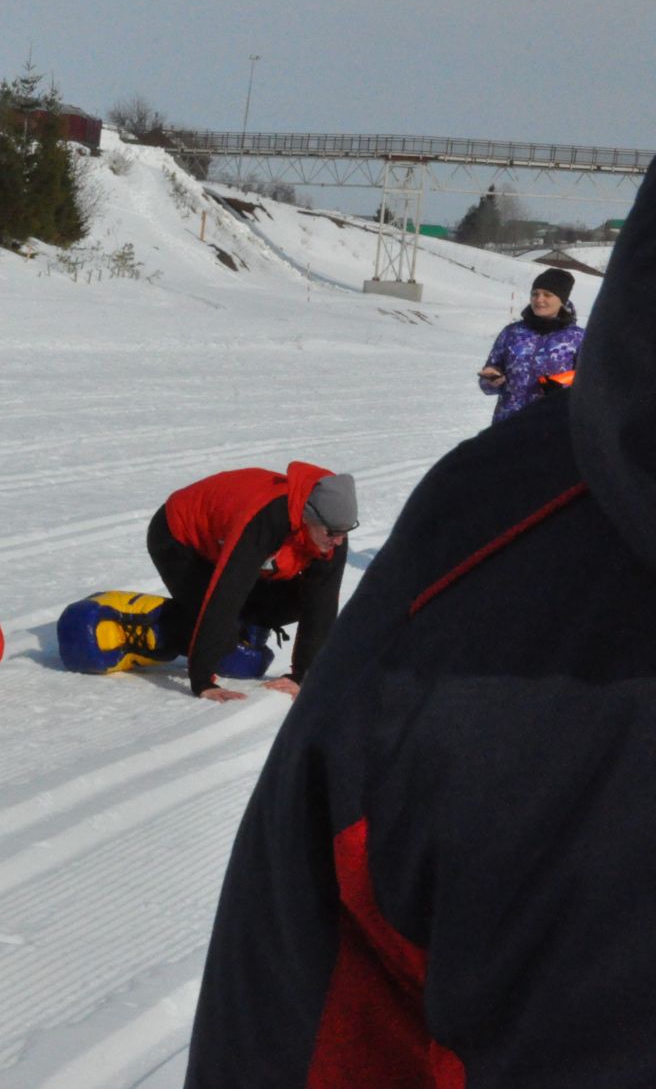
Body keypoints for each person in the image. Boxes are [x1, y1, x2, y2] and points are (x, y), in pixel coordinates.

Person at [185, 163, 656, 1087]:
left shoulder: (575, 347)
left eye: (551, 292)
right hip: (546, 458)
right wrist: (504, 386)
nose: (541, 301)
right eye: (537, 291)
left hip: (563, 457)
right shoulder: (506, 390)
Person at [147, 462, 354, 702]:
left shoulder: (332, 528)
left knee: (292, 605)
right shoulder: (266, 519)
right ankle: (153, 625)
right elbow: (227, 592)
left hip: (228, 548)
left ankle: (238, 628)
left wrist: (303, 675)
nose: (338, 542)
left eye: (345, 532)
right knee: (228, 649)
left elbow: (323, 602)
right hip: (178, 540)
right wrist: (201, 681)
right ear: (308, 517)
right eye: (332, 533)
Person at [477, 266, 584, 424]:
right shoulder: (512, 332)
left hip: (552, 426)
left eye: (547, 295)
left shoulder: (578, 337)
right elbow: (488, 380)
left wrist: (559, 385)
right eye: (535, 294)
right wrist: (490, 379)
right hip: (507, 424)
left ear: (562, 300)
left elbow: (591, 382)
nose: (539, 299)